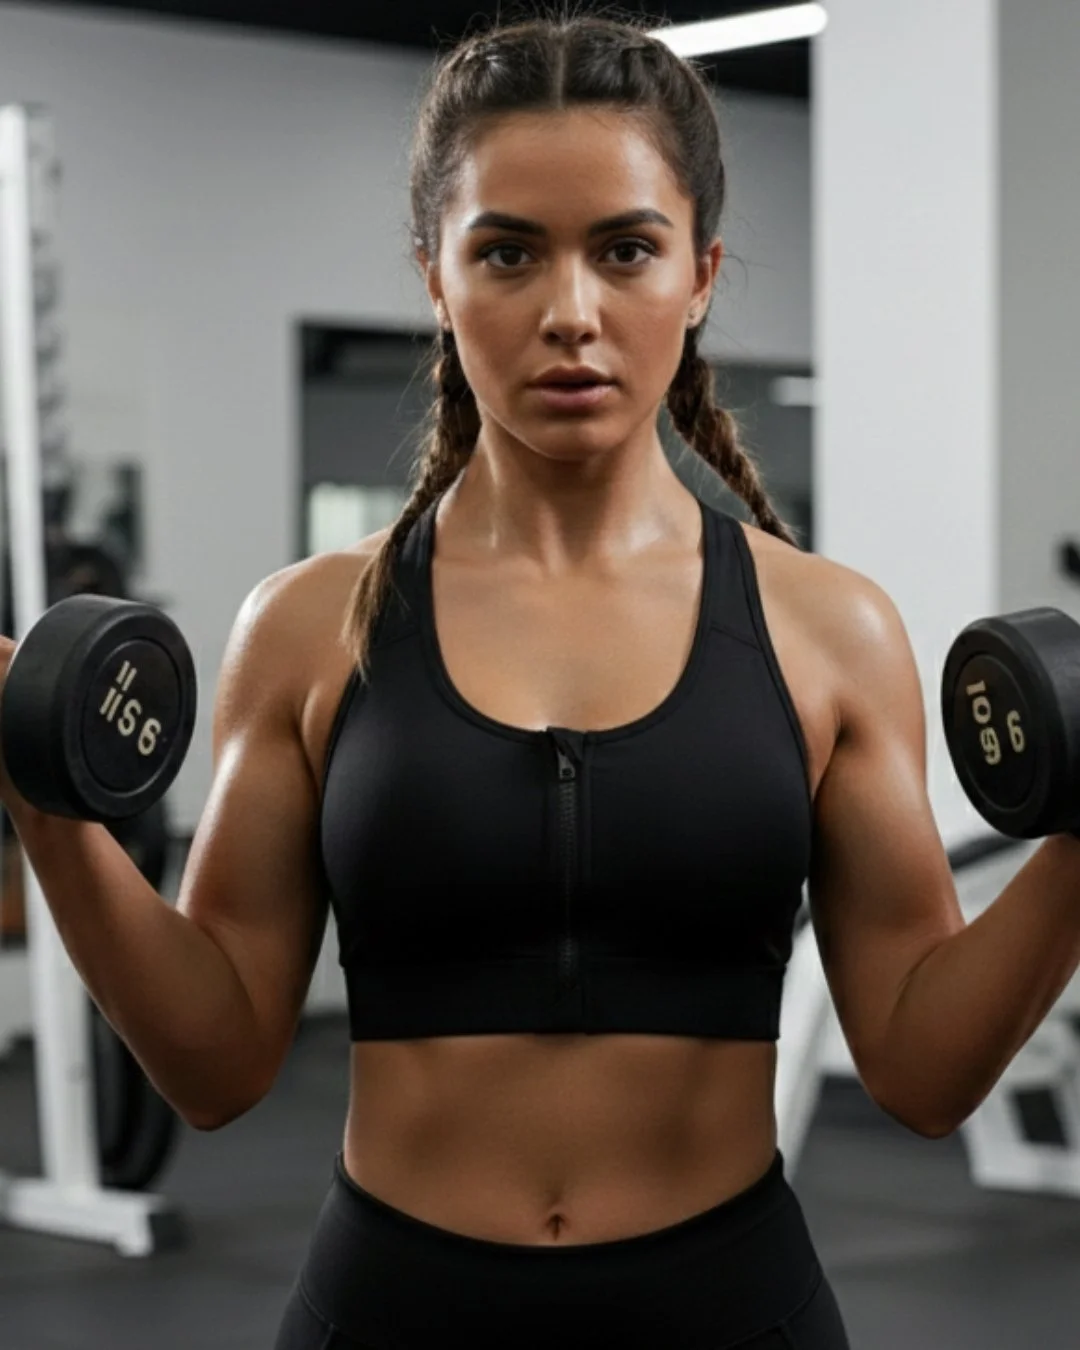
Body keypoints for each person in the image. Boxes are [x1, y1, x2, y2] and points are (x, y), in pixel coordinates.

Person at [6, 10, 1080, 1350]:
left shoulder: (829, 629)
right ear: (436, 278)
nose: (571, 313)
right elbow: (214, 1062)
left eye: (626, 249)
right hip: (392, 1310)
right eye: (508, 252)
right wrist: (42, 794)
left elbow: (921, 1069)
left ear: (700, 274)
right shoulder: (313, 627)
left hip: (730, 1309)